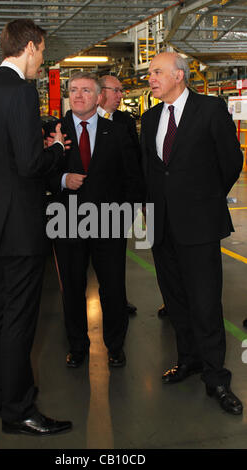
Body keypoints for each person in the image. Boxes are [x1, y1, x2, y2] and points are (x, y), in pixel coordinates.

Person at [0, 19, 72, 436]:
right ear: (30, 46)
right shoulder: (22, 92)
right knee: (20, 320)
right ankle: (19, 410)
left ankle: (1, 394)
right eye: (42, 52)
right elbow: (31, 164)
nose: (42, 61)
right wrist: (58, 150)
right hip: (22, 226)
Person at [141, 51, 243, 415]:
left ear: (179, 75)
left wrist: (205, 199)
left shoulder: (210, 110)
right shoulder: (150, 117)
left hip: (198, 225)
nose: (150, 78)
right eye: (150, 73)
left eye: (156, 72)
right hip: (161, 225)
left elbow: (232, 160)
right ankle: (189, 360)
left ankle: (216, 376)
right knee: (177, 300)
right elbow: (150, 169)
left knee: (205, 303)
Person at [48, 72, 144, 369]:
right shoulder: (54, 131)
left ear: (98, 95)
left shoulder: (115, 132)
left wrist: (125, 217)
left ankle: (115, 346)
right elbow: (35, 173)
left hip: (109, 223)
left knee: (113, 288)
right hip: (66, 222)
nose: (78, 95)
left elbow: (133, 178)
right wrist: (63, 179)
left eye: (86, 90)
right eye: (73, 90)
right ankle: (77, 347)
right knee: (72, 289)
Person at [98, 74, 141, 317]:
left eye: (121, 90)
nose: (120, 95)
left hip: (119, 205)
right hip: (88, 207)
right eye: (116, 90)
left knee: (116, 259)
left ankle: (118, 302)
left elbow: (134, 162)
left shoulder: (124, 121)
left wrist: (135, 201)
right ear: (101, 93)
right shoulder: (86, 119)